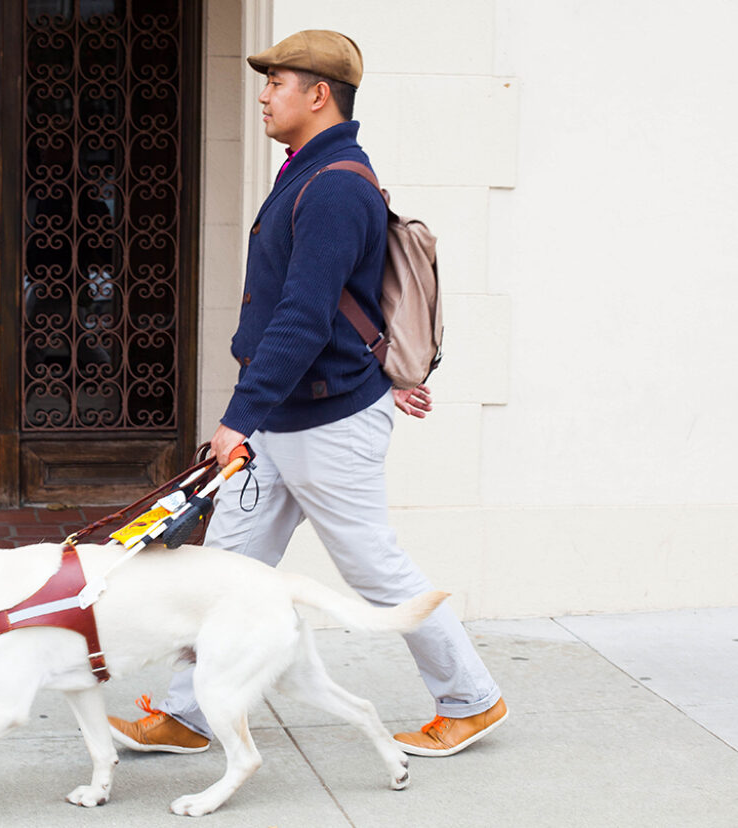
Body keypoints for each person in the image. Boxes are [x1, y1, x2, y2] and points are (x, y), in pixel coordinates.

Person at [108, 30, 506, 759]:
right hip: (287, 417)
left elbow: (304, 314)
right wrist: (255, 420)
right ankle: (189, 714)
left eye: (276, 83)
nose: (262, 95)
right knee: (224, 567)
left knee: (375, 569)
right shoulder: (310, 171)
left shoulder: (336, 184)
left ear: (318, 94)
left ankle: (471, 700)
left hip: (326, 422)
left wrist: (237, 419)